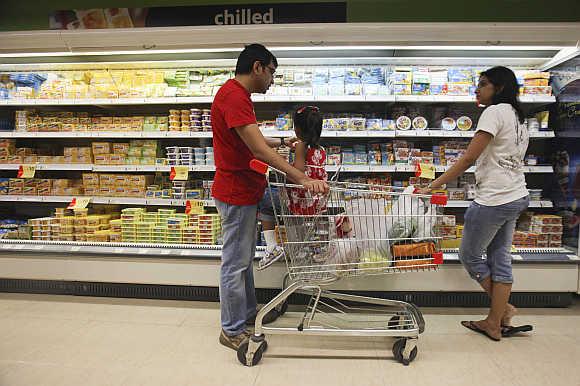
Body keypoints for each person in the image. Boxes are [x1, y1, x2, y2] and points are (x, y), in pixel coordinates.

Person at [211, 43, 328, 351]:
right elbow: (258, 149)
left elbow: (253, 138)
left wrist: (284, 142)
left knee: (243, 259)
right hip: (236, 191)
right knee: (235, 263)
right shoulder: (235, 97)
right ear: (258, 67)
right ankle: (231, 329)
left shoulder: (237, 96)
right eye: (272, 72)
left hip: (245, 189)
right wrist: (301, 177)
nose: (272, 80)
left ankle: (247, 314)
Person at [419, 66, 530, 341]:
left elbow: (468, 158)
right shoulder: (519, 116)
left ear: (499, 88)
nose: (477, 89)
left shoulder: (494, 112)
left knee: (469, 255)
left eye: (483, 84)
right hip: (516, 195)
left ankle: (501, 311)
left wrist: (433, 184)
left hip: (494, 199)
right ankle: (496, 319)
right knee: (500, 258)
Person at [257, 105, 327, 270]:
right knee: (297, 223)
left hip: (300, 199)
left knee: (267, 201)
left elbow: (299, 171)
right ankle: (305, 249)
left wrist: (283, 168)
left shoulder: (301, 146)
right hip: (315, 200)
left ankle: (272, 247)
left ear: (297, 129)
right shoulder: (321, 149)